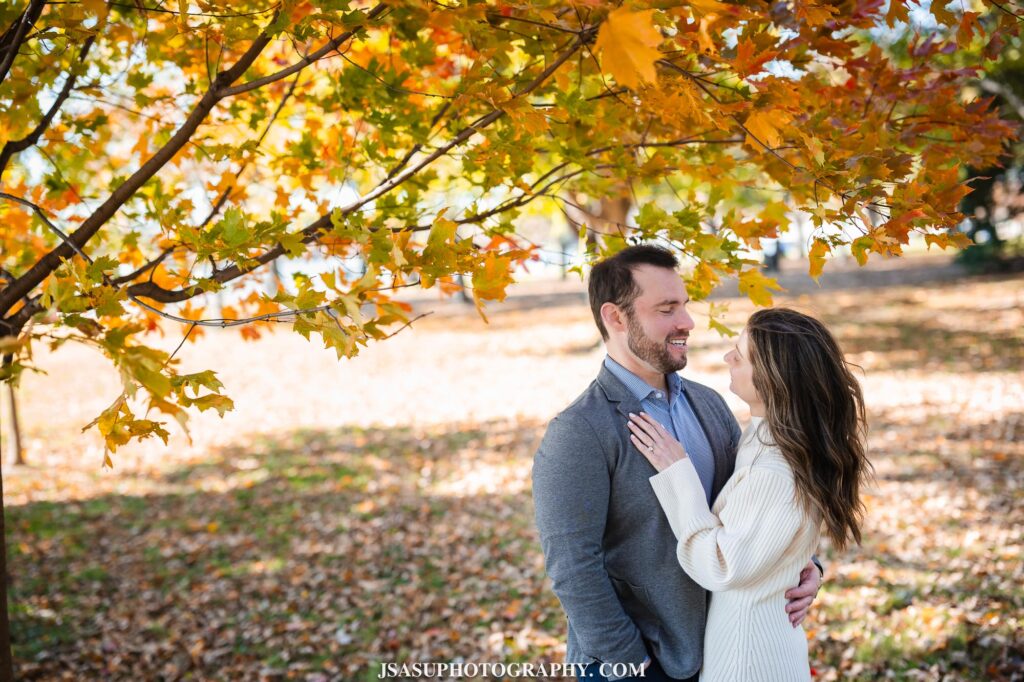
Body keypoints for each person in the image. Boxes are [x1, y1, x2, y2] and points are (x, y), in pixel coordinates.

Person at [532, 245, 823, 682]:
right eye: (667, 309)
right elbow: (573, 565)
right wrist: (627, 661)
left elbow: (763, 503)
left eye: (684, 306)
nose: (687, 322)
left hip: (723, 651)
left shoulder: (710, 404)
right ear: (616, 318)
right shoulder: (578, 431)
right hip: (640, 663)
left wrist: (808, 566)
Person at [628, 308, 870, 681]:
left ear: (775, 380)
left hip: (748, 656)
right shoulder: (769, 435)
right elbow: (768, 535)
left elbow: (720, 566)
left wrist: (678, 474)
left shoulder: (774, 469)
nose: (728, 358)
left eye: (739, 355)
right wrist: (807, 564)